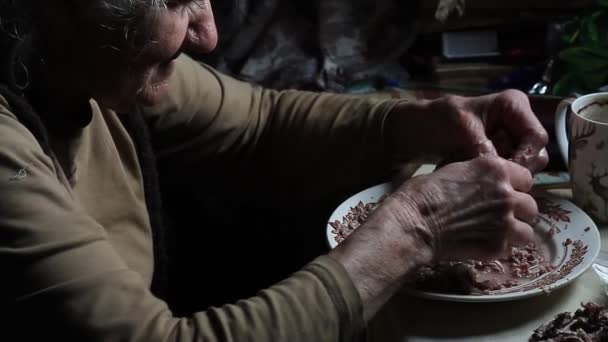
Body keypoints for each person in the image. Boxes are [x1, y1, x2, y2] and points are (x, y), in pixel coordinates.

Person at [0, 0, 548, 341]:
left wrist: (418, 122)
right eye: (174, 1)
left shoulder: (83, 58)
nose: (207, 35)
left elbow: (260, 120)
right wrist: (415, 226)